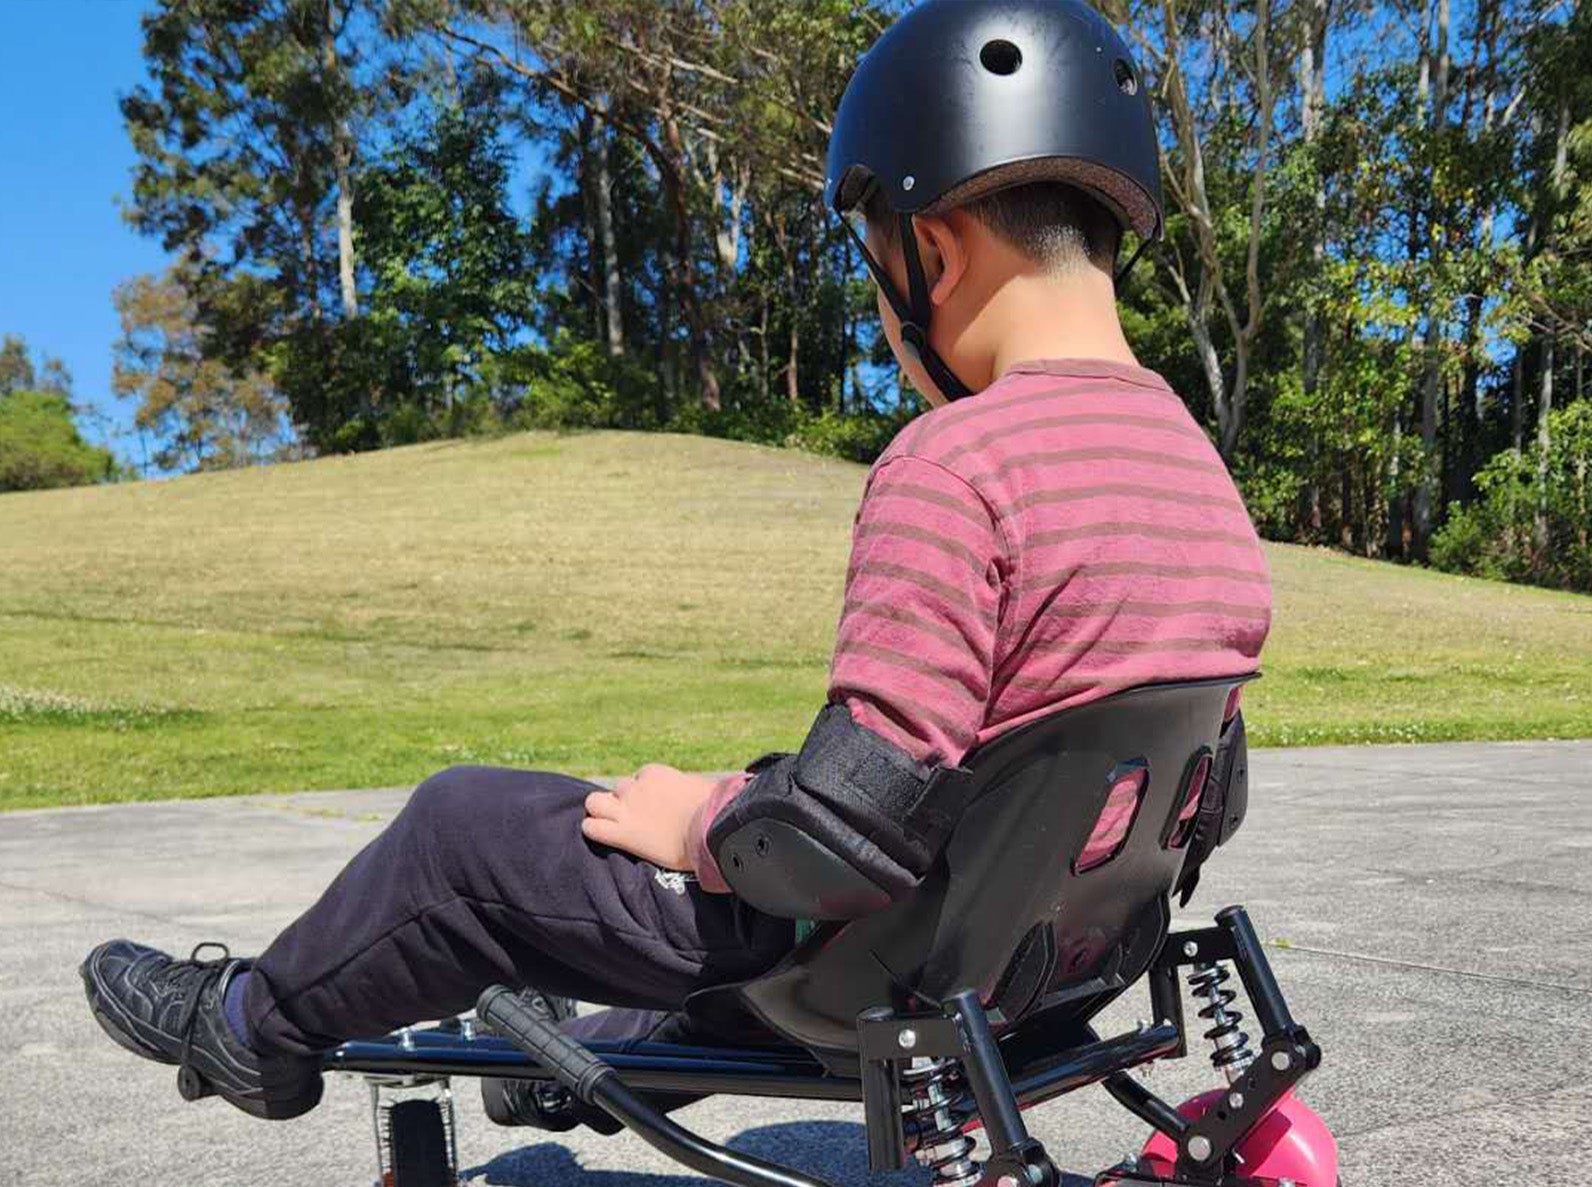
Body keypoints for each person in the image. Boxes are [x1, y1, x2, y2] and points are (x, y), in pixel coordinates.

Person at [80, 0, 1270, 1127]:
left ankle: (251, 1023)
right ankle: (569, 1069)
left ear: (936, 248)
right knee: (758, 808)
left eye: (876, 270)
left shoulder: (957, 462)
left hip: (896, 967)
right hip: (1064, 962)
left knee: (466, 831)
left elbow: (838, 841)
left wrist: (704, 818)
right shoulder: (1193, 463)